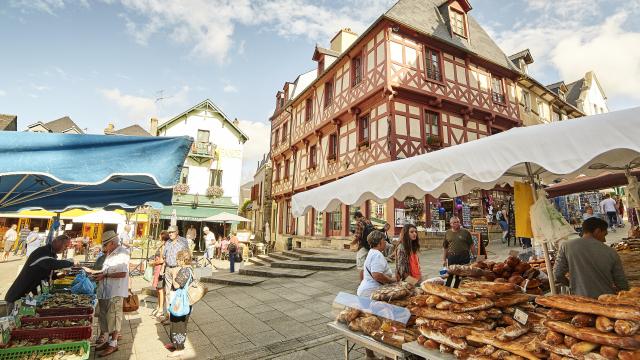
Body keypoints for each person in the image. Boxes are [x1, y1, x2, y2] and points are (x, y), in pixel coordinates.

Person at [553, 217, 629, 298]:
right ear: (597, 231)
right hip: (605, 301)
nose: (605, 240)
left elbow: (557, 274)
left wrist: (572, 285)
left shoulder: (566, 246)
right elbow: (621, 282)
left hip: (578, 300)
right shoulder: (611, 252)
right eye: (604, 235)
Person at [4, 234, 75, 315]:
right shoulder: (42, 251)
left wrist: (56, 275)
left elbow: (44, 271)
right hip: (18, 296)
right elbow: (51, 263)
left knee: (26, 320)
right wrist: (71, 262)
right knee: (14, 322)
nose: (65, 249)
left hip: (30, 297)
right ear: (57, 242)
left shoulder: (51, 254)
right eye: (65, 246)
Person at [86, 231, 130, 357]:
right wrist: (96, 273)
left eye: (105, 244)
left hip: (115, 292)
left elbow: (122, 273)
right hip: (105, 292)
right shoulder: (110, 253)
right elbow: (106, 270)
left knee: (114, 318)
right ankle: (109, 341)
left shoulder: (122, 253)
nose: (104, 247)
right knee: (105, 318)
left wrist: (104, 275)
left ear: (111, 243)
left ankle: (113, 344)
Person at [356, 230, 395, 360]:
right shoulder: (377, 255)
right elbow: (377, 274)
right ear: (379, 242)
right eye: (384, 241)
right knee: (382, 324)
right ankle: (387, 356)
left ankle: (370, 355)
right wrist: (392, 280)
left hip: (366, 291)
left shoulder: (372, 253)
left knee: (370, 324)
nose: (385, 243)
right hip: (371, 293)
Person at [165, 250, 194, 357]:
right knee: (178, 323)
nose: (176, 261)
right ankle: (175, 343)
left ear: (182, 260)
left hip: (181, 302)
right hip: (184, 301)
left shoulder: (184, 270)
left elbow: (177, 285)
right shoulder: (189, 269)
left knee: (178, 324)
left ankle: (179, 348)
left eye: (178, 259)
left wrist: (173, 274)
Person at [160, 226, 189, 324]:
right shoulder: (168, 242)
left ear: (177, 232)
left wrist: (185, 267)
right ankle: (168, 315)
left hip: (178, 268)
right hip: (168, 268)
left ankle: (180, 313)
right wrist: (163, 268)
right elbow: (164, 256)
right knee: (168, 292)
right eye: (169, 232)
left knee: (179, 291)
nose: (170, 234)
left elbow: (187, 255)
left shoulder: (183, 241)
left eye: (172, 232)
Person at [151, 230, 169, 318]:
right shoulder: (162, 245)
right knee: (158, 289)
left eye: (159, 236)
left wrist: (153, 263)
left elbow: (162, 260)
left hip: (160, 269)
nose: (158, 237)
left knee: (160, 289)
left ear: (163, 237)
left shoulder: (165, 246)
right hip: (158, 268)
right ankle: (159, 306)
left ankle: (161, 309)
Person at [350, 211, 373, 280]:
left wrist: (351, 243)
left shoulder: (359, 222)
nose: (356, 220)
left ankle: (362, 282)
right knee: (368, 263)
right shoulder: (368, 221)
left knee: (360, 264)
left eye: (355, 219)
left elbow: (358, 236)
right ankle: (369, 280)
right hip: (370, 245)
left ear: (357, 217)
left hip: (363, 245)